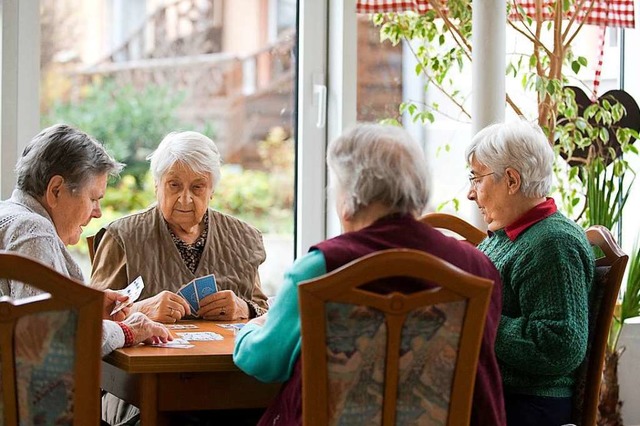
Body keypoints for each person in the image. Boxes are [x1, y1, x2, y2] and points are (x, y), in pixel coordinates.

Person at [233, 123, 507, 426]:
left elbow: (265, 361)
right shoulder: (479, 268)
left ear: (349, 200)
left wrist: (248, 330)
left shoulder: (319, 267)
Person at [0, 123, 172, 356]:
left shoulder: (8, 215)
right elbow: (46, 337)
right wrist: (126, 330)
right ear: (56, 190)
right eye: (93, 199)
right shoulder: (33, 230)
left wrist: (84, 309)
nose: (98, 212)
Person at [466, 118, 595, 426]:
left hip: (527, 404)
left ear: (511, 180)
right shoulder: (509, 236)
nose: (472, 194)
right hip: (503, 395)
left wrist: (475, 319)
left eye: (476, 179)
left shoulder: (553, 243)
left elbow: (560, 344)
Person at [90, 131, 269, 324]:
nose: (185, 199)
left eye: (197, 187)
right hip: (147, 354)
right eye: (174, 185)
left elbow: (265, 310)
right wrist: (141, 309)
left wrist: (246, 308)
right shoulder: (121, 236)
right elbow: (91, 315)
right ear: (157, 186)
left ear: (212, 191)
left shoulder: (243, 237)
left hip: (228, 354)